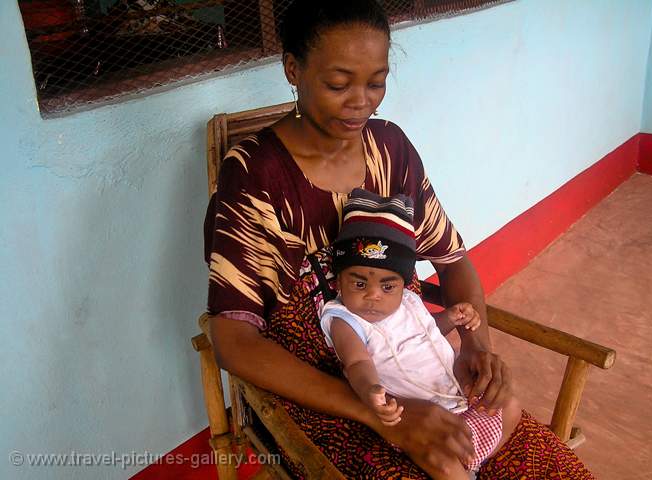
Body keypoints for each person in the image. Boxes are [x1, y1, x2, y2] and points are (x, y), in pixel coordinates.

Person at [204, 0, 595, 477]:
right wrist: (380, 412)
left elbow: (452, 261)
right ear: (292, 69)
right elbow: (234, 340)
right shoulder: (256, 176)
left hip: (420, 371)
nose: (361, 102)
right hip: (319, 392)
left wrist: (475, 346)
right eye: (337, 84)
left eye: (376, 82)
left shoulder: (390, 149)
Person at [320, 189, 503, 478]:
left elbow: (427, 331)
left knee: (510, 404)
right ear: (340, 281)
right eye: (358, 285)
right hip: (415, 414)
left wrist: (450, 319)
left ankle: (475, 457)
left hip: (453, 391)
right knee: (440, 462)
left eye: (387, 286)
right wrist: (370, 392)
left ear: (402, 284)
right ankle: (462, 471)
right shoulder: (344, 319)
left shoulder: (407, 301)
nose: (373, 296)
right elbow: (356, 363)